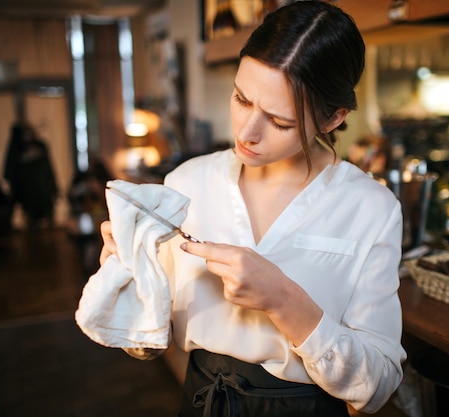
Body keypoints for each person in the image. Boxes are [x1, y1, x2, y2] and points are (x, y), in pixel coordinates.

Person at [98, 2, 406, 416]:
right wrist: (128, 280)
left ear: (333, 118)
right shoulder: (188, 184)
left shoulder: (370, 207)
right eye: (241, 99)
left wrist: (284, 301)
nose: (246, 133)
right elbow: (148, 345)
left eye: (279, 122)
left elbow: (377, 387)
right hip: (202, 400)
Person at [3, 121, 58, 229]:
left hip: (43, 190)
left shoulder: (40, 147)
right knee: (31, 223)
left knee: (48, 221)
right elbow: (13, 171)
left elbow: (49, 170)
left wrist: (53, 188)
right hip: (28, 193)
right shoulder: (17, 151)